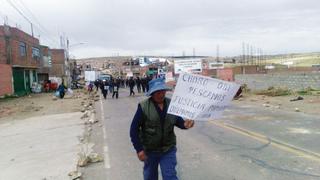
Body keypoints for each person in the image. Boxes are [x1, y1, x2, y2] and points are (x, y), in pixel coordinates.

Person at [130, 78, 195, 180]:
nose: (161, 94)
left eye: (162, 91)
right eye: (157, 92)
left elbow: (179, 122)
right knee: (150, 177)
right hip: (150, 151)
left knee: (170, 176)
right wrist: (139, 149)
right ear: (152, 93)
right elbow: (133, 130)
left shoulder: (171, 105)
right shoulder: (143, 107)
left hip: (168, 149)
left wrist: (186, 124)